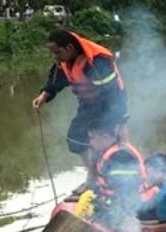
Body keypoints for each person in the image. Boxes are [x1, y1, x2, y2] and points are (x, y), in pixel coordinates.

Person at [32, 29, 128, 195]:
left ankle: (117, 181)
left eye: (57, 52)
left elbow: (112, 93)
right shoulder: (64, 61)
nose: (56, 57)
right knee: (76, 139)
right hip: (88, 105)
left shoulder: (97, 61)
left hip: (109, 105)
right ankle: (93, 177)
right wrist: (44, 95)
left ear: (69, 48)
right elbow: (56, 80)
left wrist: (120, 121)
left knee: (108, 142)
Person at [88, 130, 147, 230]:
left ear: (105, 137)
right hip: (113, 206)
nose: (90, 143)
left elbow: (126, 191)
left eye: (93, 138)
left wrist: (116, 220)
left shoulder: (120, 156)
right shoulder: (111, 152)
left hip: (127, 212)